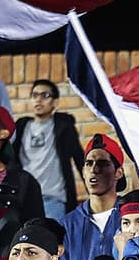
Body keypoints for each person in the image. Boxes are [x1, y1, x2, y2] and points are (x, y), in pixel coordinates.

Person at [12, 79, 85, 221]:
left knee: (54, 242)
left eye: (45, 95)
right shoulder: (22, 127)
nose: (38, 100)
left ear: (55, 102)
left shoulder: (63, 126)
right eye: (35, 95)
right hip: (25, 200)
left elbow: (79, 159)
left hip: (54, 200)